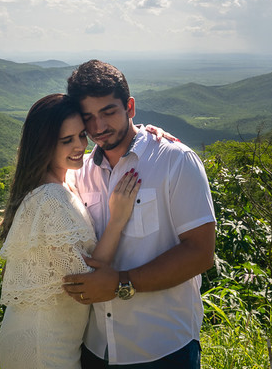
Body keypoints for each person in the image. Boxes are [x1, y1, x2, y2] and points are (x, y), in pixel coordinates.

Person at [61, 60, 217, 368]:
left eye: (108, 112)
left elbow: (201, 253)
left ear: (130, 107)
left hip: (163, 348)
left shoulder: (174, 161)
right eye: (88, 117)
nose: (98, 127)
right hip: (96, 348)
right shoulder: (80, 174)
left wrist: (121, 283)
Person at [0, 93, 143, 369]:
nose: (79, 146)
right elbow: (85, 282)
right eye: (67, 141)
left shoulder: (63, 183)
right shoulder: (50, 198)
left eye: (81, 136)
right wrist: (118, 218)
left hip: (55, 338)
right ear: (44, 145)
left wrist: (149, 133)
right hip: (42, 343)